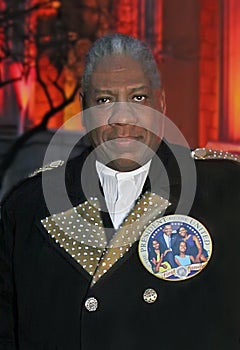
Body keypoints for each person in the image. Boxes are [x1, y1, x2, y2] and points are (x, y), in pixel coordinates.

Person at [0, 33, 240, 350]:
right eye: (104, 101)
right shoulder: (29, 208)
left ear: (162, 103)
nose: (122, 118)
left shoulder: (227, 192)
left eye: (138, 98)